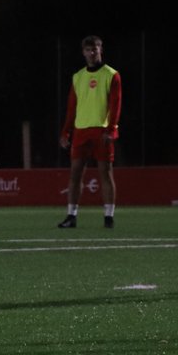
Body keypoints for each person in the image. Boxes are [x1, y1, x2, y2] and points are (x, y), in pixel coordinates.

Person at [57, 35, 122, 229]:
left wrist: (111, 129)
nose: (91, 53)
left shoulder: (111, 74)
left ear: (101, 50)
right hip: (80, 132)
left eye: (95, 49)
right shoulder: (78, 77)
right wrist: (65, 132)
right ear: (83, 52)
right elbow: (71, 107)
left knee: (105, 173)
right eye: (88, 50)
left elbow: (116, 104)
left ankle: (108, 217)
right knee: (75, 174)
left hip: (102, 131)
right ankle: (71, 216)